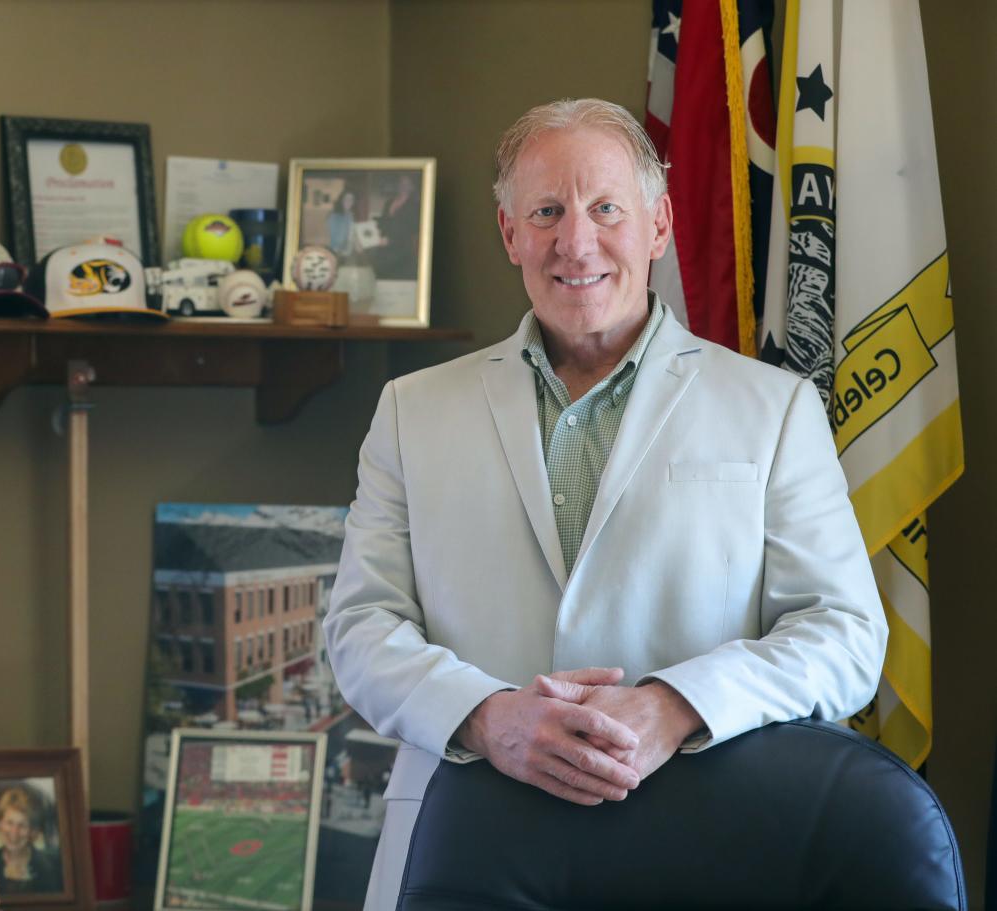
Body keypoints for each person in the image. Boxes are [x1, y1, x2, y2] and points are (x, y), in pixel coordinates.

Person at [322, 98, 887, 910]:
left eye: (605, 209)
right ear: (510, 232)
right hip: (461, 845)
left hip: (709, 841)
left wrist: (675, 705)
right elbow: (360, 625)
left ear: (658, 227)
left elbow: (847, 635)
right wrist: (487, 717)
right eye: (546, 211)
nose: (575, 242)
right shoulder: (413, 409)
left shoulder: (776, 408)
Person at [0, 786, 62, 895]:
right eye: (9, 823)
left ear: (33, 831)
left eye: (22, 825)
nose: (14, 832)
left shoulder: (52, 868)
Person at [328, 189, 358, 258]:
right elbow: (335, 237)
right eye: (346, 199)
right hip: (338, 250)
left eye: (351, 200)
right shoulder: (334, 215)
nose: (349, 202)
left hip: (349, 250)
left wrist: (357, 243)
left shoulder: (350, 215)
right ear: (341, 200)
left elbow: (352, 232)